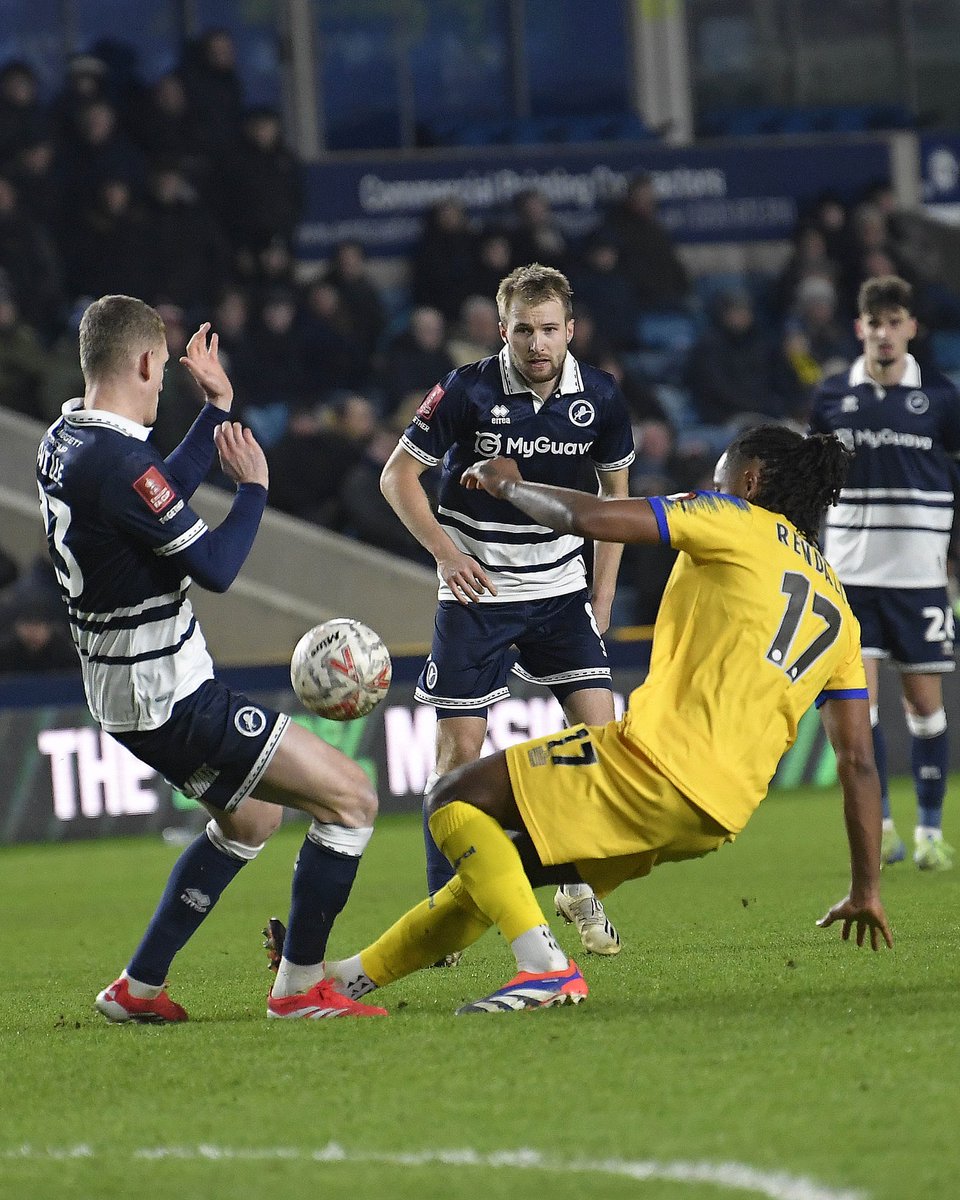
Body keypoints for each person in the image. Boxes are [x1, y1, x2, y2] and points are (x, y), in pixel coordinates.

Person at [313, 424, 892, 1015]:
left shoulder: (734, 517)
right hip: (715, 816)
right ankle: (342, 982)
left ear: (749, 480)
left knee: (453, 798)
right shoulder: (840, 611)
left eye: (716, 480)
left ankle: (546, 971)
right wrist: (866, 889)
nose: (707, 489)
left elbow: (591, 518)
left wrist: (508, 485)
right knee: (498, 872)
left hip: (657, 766)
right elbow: (859, 762)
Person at [36, 294, 386, 1022]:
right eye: (162, 368)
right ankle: (299, 988)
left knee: (251, 819)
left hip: (128, 693)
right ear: (140, 361)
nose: (163, 381)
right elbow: (216, 567)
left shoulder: (65, 439)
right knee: (352, 799)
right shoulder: (121, 461)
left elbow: (150, 498)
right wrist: (255, 488)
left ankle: (138, 987)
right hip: (170, 694)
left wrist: (215, 412)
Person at [378, 263, 635, 957]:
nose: (538, 343)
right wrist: (443, 553)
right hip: (478, 595)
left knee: (604, 750)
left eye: (550, 329)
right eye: (524, 330)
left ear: (570, 330)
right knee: (459, 752)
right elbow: (396, 476)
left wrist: (602, 594)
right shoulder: (466, 390)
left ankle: (578, 887)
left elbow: (616, 504)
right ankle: (443, 917)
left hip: (558, 592)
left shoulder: (601, 399)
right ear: (502, 331)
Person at [809, 274, 960, 871]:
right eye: (874, 323)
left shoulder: (943, 399)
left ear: (911, 328)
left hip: (920, 578)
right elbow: (811, 484)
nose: (884, 333)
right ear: (859, 329)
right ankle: (887, 825)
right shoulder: (828, 399)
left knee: (927, 709)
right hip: (849, 580)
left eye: (895, 322)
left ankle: (929, 829)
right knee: (860, 710)